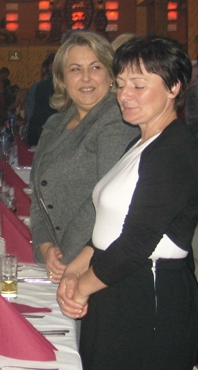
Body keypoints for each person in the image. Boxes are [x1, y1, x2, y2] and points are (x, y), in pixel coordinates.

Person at [58, 36, 198, 369]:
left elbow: (136, 243)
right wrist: (74, 270)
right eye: (121, 85)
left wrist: (81, 288)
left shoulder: (174, 151)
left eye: (138, 85)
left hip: (146, 294)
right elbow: (108, 226)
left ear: (174, 87)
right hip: (114, 281)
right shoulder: (141, 142)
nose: (124, 95)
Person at [29, 31, 138, 282]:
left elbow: (103, 199)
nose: (86, 77)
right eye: (75, 69)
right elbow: (38, 193)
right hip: (61, 262)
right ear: (62, 79)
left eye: (95, 67)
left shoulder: (116, 120)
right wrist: (45, 247)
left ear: (111, 75)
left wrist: (67, 257)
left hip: (97, 263)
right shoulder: (55, 123)